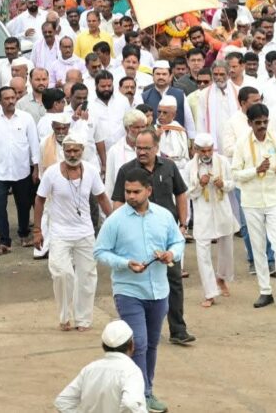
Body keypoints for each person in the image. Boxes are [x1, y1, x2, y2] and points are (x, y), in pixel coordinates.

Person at [96, 168, 185, 413]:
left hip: (159, 291)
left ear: (149, 190)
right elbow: (100, 251)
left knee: (153, 344)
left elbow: (177, 241)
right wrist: (125, 263)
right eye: (127, 192)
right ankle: (140, 396)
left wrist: (171, 254)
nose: (131, 196)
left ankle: (145, 391)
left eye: (136, 192)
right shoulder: (116, 220)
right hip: (128, 291)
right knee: (140, 343)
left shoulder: (164, 216)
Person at [111, 130, 195, 346]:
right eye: (138, 148)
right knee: (139, 281)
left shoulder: (169, 167)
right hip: (137, 233)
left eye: (146, 148)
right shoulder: (127, 170)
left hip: (166, 233)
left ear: (156, 147)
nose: (141, 152)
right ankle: (140, 330)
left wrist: (183, 224)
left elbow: (181, 194)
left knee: (174, 280)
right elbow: (118, 201)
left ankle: (178, 329)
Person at [34, 133, 113, 332]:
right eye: (68, 150)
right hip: (59, 232)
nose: (72, 154)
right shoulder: (51, 173)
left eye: (76, 150)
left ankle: (83, 319)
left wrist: (113, 222)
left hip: (85, 231)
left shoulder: (92, 172)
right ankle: (64, 316)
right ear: (63, 151)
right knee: (62, 274)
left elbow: (102, 197)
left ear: (82, 151)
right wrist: (37, 230)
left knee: (87, 275)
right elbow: (39, 200)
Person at [232, 103, 276, 309]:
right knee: (258, 246)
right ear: (250, 123)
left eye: (265, 121)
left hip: (273, 198)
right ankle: (264, 291)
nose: (262, 126)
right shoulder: (242, 143)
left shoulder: (275, 138)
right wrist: (255, 170)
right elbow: (235, 174)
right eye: (258, 122)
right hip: (252, 201)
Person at [0, 86, 40, 255]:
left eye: (13, 97)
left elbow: (34, 144)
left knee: (23, 204)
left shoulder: (26, 118)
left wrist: (36, 168)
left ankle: (24, 234)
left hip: (22, 169)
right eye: (7, 98)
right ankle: (4, 242)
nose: (11, 101)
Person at [186, 133, 238, 307]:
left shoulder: (222, 161)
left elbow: (232, 184)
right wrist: (200, 184)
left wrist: (222, 184)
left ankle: (221, 278)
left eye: (210, 150)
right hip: (202, 214)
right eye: (203, 151)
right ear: (196, 150)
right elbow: (189, 194)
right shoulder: (189, 167)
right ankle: (209, 293)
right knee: (202, 253)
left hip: (222, 211)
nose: (207, 154)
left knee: (227, 249)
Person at [53, 320, 147, 412]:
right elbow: (130, 404)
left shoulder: (90, 369)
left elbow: (62, 401)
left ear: (103, 346)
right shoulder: (131, 371)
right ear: (132, 346)